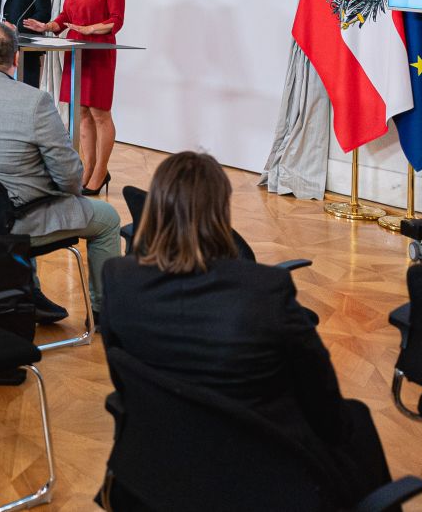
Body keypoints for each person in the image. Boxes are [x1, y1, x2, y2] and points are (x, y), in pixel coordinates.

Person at [101, 151, 393, 506]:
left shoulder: (119, 279)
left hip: (156, 466)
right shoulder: (265, 290)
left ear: (155, 209)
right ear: (222, 214)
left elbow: (124, 382)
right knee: (356, 421)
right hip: (262, 475)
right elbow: (321, 399)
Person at [0, 21, 122, 324]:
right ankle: (107, 314)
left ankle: (27, 293)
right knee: (108, 219)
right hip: (12, 221)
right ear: (16, 58)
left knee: (20, 188)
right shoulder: (35, 102)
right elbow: (71, 180)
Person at [24, 0, 124, 194]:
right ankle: (86, 169)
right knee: (80, 111)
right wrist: (46, 26)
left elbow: (116, 20)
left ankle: (101, 171)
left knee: (99, 112)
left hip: (98, 50)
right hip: (75, 49)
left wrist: (91, 29)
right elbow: (66, 16)